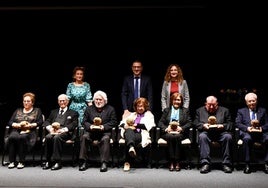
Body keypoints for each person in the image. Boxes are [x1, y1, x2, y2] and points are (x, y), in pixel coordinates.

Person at [79, 90, 117, 172]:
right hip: (91, 132)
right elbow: (84, 122)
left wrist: (104, 126)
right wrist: (90, 126)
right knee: (85, 137)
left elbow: (114, 122)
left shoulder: (110, 109)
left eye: (100, 100)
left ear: (105, 100)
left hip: (104, 132)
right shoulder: (89, 109)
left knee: (106, 139)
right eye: (96, 99)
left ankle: (104, 163)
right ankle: (84, 162)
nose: (98, 101)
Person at [194, 95, 233, 174]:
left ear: (217, 104)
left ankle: (226, 163)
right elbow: (195, 123)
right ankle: (205, 164)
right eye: (209, 105)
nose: (211, 107)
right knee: (202, 136)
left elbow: (230, 124)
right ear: (206, 104)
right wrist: (203, 125)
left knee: (228, 137)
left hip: (221, 133)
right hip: (206, 133)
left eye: (213, 105)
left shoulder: (225, 110)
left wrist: (223, 126)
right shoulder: (200, 111)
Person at [42, 94, 79, 170]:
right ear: (58, 102)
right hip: (53, 131)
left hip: (65, 133)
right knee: (48, 137)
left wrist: (63, 130)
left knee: (57, 137)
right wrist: (50, 129)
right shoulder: (53, 112)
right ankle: (48, 161)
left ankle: (57, 162)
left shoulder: (73, 113)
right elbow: (47, 121)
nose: (62, 102)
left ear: (67, 102)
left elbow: (74, 124)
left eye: (64, 100)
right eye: (60, 101)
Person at [7, 92, 43, 169]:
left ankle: (21, 161)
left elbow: (40, 122)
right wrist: (16, 125)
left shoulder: (37, 110)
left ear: (32, 102)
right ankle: (12, 161)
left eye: (28, 101)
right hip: (17, 130)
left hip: (30, 132)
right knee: (12, 137)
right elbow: (10, 122)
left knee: (22, 137)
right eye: (24, 101)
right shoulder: (18, 110)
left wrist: (31, 125)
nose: (26, 103)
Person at [119, 97, 156, 172]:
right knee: (129, 131)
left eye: (141, 106)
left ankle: (127, 162)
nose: (140, 108)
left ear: (145, 107)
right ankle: (131, 147)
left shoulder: (149, 115)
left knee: (129, 137)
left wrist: (135, 125)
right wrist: (124, 126)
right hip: (131, 133)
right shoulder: (132, 114)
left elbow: (149, 125)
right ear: (135, 107)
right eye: (138, 106)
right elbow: (122, 123)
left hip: (141, 134)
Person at [158, 92, 192, 171]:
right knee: (171, 136)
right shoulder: (167, 110)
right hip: (168, 133)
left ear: (181, 101)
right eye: (175, 100)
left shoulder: (185, 111)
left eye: (178, 100)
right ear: (171, 101)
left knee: (176, 137)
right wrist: (166, 128)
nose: (177, 102)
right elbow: (160, 122)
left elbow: (190, 122)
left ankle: (175, 161)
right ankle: (174, 161)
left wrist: (181, 128)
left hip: (180, 133)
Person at [235, 92, 268, 174]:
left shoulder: (263, 111)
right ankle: (247, 164)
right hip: (248, 133)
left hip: (260, 133)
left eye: (253, 101)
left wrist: (261, 128)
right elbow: (238, 123)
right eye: (249, 101)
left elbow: (267, 124)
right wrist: (247, 128)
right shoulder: (241, 111)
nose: (251, 103)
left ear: (256, 101)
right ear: (246, 102)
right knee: (246, 139)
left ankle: (267, 163)